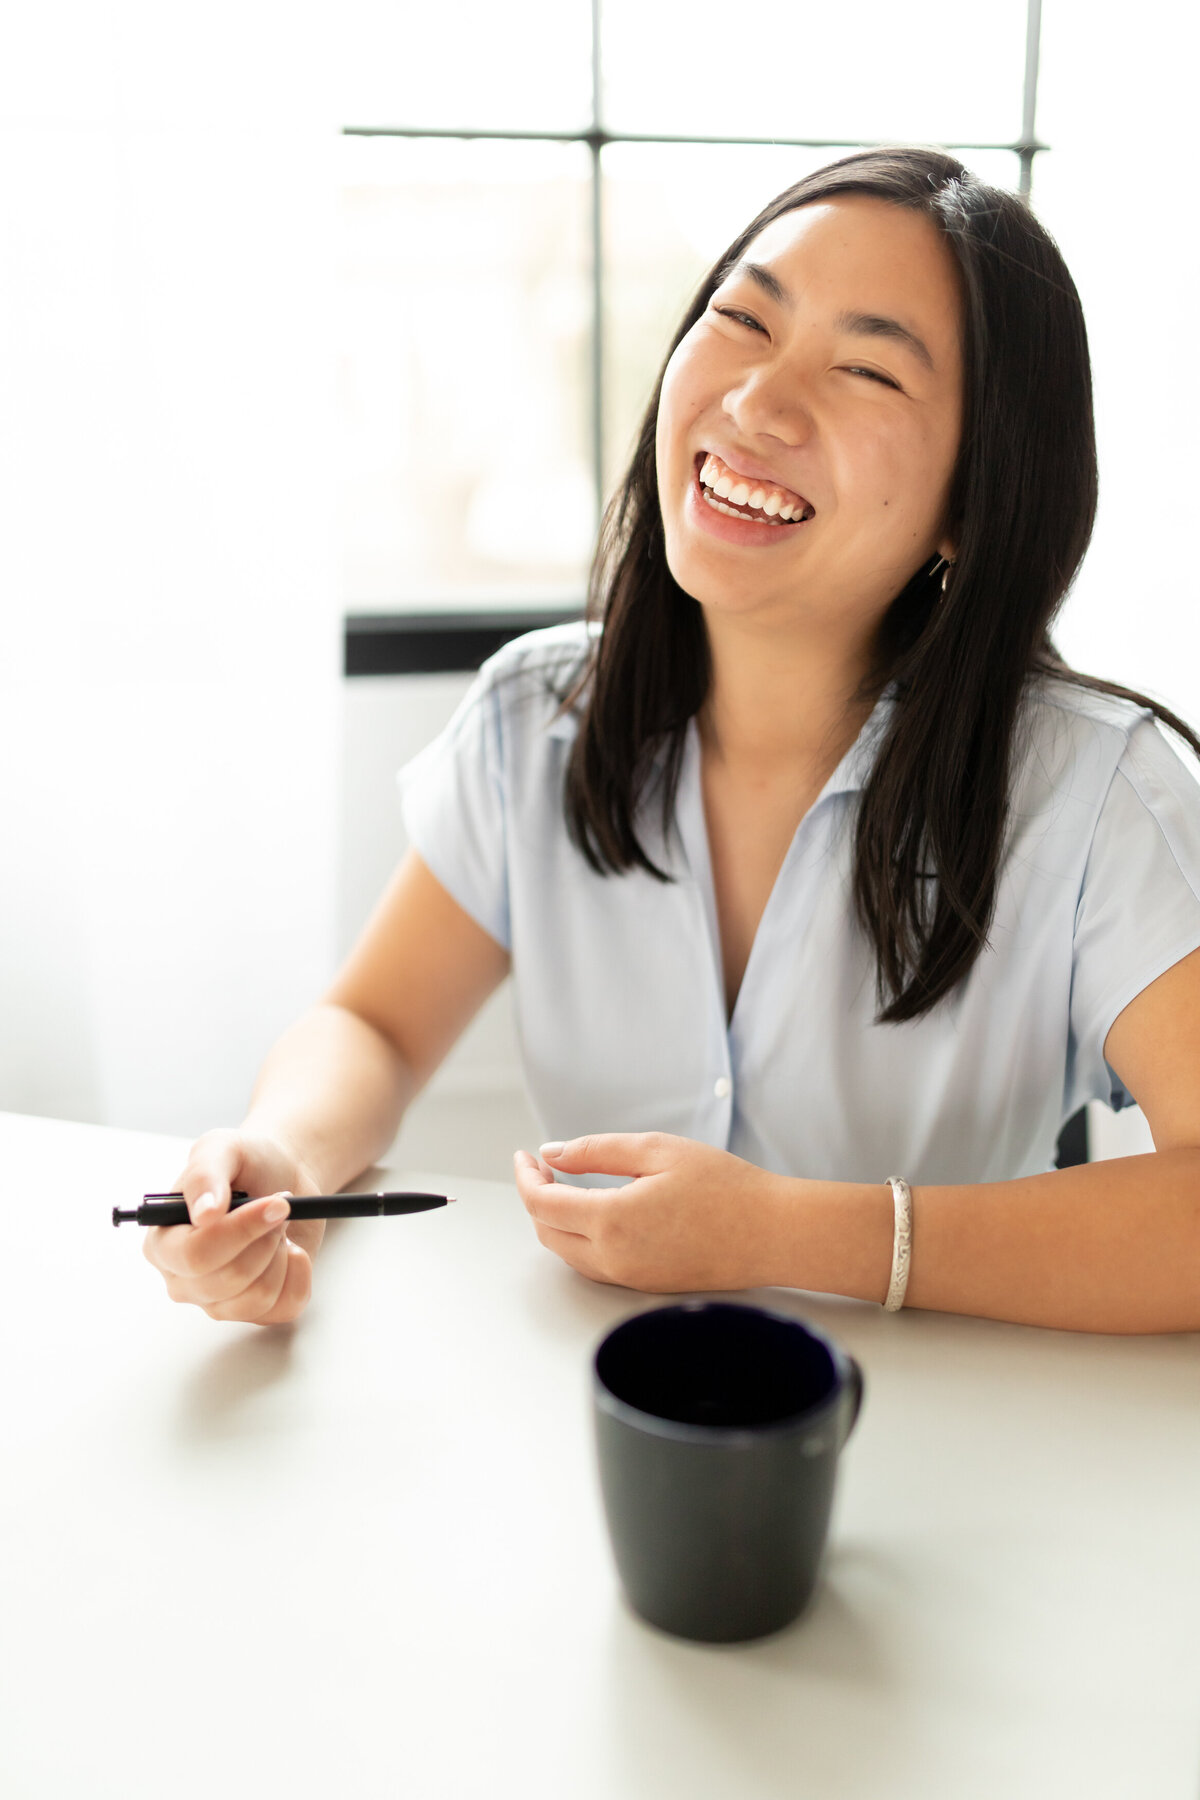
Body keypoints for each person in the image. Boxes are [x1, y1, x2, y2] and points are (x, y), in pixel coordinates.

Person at [145, 147, 1200, 1335]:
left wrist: (782, 1232)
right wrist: (283, 1156)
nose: (756, 403)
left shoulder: (1104, 797)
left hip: (953, 1454)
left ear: (979, 495)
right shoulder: (535, 720)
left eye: (864, 370)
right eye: (742, 318)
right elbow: (374, 1028)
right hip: (596, 1422)